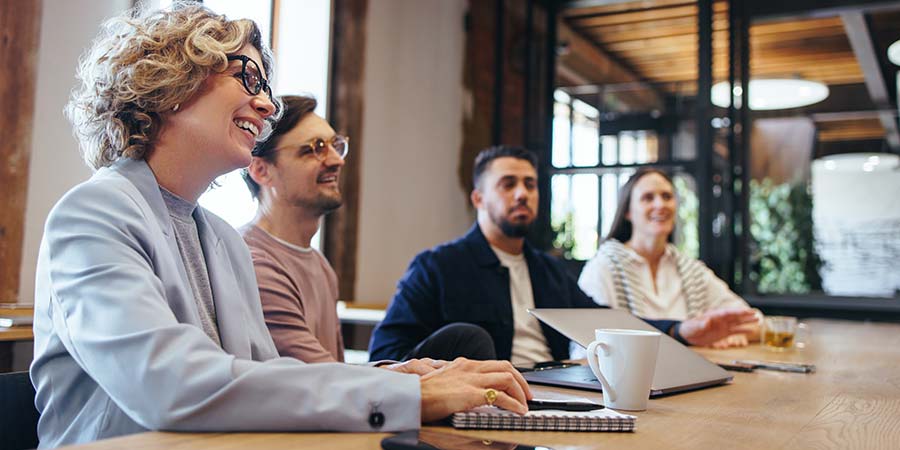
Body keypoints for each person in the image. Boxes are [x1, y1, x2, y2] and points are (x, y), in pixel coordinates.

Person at [30, 4, 529, 447]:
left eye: (265, 88)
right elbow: (168, 385)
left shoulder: (221, 238)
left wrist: (398, 377)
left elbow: (263, 378)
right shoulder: (94, 212)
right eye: (247, 77)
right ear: (170, 82)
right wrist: (406, 393)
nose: (268, 105)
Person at [368, 146, 758, 364]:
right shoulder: (437, 266)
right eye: (508, 184)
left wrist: (680, 330)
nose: (522, 193)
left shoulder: (547, 270)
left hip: (556, 396)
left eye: (530, 184)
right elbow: (385, 355)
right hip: (482, 406)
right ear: (478, 198)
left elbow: (603, 322)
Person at [577, 168, 760, 348]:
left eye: (667, 196)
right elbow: (584, 343)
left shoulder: (691, 270)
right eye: (648, 197)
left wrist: (729, 334)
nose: (660, 205)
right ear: (627, 212)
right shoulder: (603, 267)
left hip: (690, 367)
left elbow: (756, 322)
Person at [240, 95, 347, 363]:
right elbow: (320, 376)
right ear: (261, 171)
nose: (337, 160)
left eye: (335, 145)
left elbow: (338, 373)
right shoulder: (254, 264)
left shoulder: (320, 264)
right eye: (315, 148)